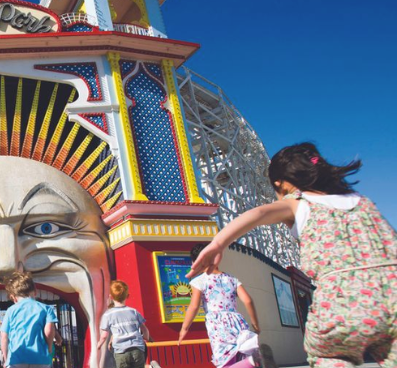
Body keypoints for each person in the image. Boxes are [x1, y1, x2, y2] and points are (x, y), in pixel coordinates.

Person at [188, 142, 397, 368]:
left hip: (341, 304)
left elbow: (258, 213)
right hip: (392, 296)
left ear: (281, 184)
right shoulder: (363, 202)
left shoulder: (299, 204)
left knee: (331, 357)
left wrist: (218, 243)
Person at [179, 244, 260, 368]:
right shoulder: (232, 279)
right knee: (240, 354)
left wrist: (184, 329)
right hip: (237, 320)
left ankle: (251, 363)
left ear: (197, 262)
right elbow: (248, 300)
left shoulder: (199, 281)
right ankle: (252, 362)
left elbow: (194, 306)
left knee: (225, 361)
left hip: (217, 325)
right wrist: (255, 324)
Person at [1, 271, 60, 368]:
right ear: (35, 292)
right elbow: (49, 331)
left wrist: (6, 358)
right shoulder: (46, 309)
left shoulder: (10, 311)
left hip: (16, 359)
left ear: (14, 297)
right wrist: (49, 348)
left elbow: (4, 336)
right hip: (40, 358)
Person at [97, 280, 152, 368]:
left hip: (121, 351)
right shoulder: (133, 311)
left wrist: (99, 344)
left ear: (110, 297)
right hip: (137, 349)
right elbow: (144, 329)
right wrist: (146, 337)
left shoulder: (108, 314)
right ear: (128, 296)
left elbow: (104, 335)